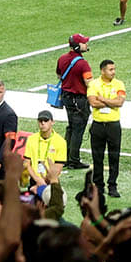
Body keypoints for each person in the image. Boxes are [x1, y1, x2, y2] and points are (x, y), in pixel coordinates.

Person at [85, 57, 128, 197]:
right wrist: (111, 102)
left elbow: (120, 102)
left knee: (114, 157)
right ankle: (98, 185)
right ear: (102, 71)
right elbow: (93, 103)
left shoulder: (119, 84)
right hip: (98, 125)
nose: (113, 72)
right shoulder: (94, 84)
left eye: (114, 69)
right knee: (97, 157)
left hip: (114, 125)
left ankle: (112, 185)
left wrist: (103, 99)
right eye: (110, 70)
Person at [55, 34, 93, 171]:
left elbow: (59, 75)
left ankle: (65, 156)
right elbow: (88, 82)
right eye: (84, 43)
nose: (86, 45)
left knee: (71, 126)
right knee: (78, 129)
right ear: (78, 45)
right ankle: (74, 160)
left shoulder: (62, 58)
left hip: (66, 97)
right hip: (79, 99)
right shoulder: (83, 64)